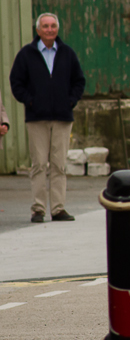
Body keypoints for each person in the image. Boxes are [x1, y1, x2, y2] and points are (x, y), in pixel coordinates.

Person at [9, 13, 86, 224]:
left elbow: (79, 81)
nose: (50, 30)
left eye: (53, 26)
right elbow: (16, 82)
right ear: (38, 30)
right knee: (39, 165)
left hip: (62, 118)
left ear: (57, 29)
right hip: (37, 119)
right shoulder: (26, 54)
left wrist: (70, 101)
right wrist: (30, 101)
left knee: (59, 165)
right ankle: (38, 209)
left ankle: (59, 208)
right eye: (45, 26)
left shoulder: (67, 54)